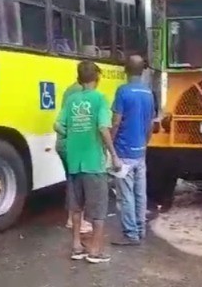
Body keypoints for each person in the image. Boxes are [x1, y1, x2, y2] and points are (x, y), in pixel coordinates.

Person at [56, 61, 121, 263]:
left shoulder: (72, 100)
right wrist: (114, 154)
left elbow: (57, 124)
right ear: (97, 77)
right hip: (94, 163)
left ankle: (76, 246)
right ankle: (95, 250)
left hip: (74, 162)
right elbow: (103, 128)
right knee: (99, 209)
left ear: (79, 78)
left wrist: (73, 134)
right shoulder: (100, 99)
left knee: (76, 208)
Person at [111, 55, 155, 246]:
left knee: (126, 195)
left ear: (125, 70)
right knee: (140, 193)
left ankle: (130, 235)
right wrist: (145, 143)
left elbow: (115, 122)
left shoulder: (123, 91)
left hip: (123, 150)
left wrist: (109, 146)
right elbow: (150, 124)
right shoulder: (148, 93)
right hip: (140, 151)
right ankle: (140, 229)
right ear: (142, 70)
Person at [54, 81, 93, 234]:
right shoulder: (83, 94)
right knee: (78, 183)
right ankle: (75, 220)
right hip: (73, 144)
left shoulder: (70, 89)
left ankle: (72, 218)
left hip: (63, 144)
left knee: (72, 180)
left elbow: (59, 123)